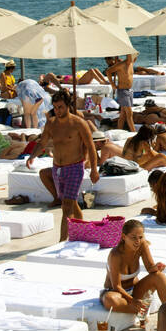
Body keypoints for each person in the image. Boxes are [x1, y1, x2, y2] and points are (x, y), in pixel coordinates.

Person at [43, 90, 99, 241]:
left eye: (60, 107)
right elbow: (43, 141)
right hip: (58, 168)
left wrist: (94, 169)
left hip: (75, 166)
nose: (57, 110)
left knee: (66, 206)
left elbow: (90, 146)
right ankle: (84, 230)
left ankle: (62, 241)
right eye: (55, 107)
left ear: (68, 106)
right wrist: (32, 156)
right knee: (71, 203)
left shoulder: (79, 123)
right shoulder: (52, 123)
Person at [101, 220, 166, 326]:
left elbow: (150, 269)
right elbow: (116, 286)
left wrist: (157, 267)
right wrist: (133, 301)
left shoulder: (142, 245)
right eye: (133, 237)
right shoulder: (115, 255)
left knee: (159, 276)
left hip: (135, 290)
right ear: (124, 237)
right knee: (110, 300)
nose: (137, 241)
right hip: (117, 292)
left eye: (140, 237)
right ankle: (141, 311)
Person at [105, 54, 136, 131]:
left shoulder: (131, 63)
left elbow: (135, 55)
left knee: (123, 114)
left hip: (129, 90)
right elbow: (108, 71)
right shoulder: (121, 65)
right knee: (129, 113)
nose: (132, 56)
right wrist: (113, 84)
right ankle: (134, 132)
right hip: (123, 91)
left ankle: (119, 130)